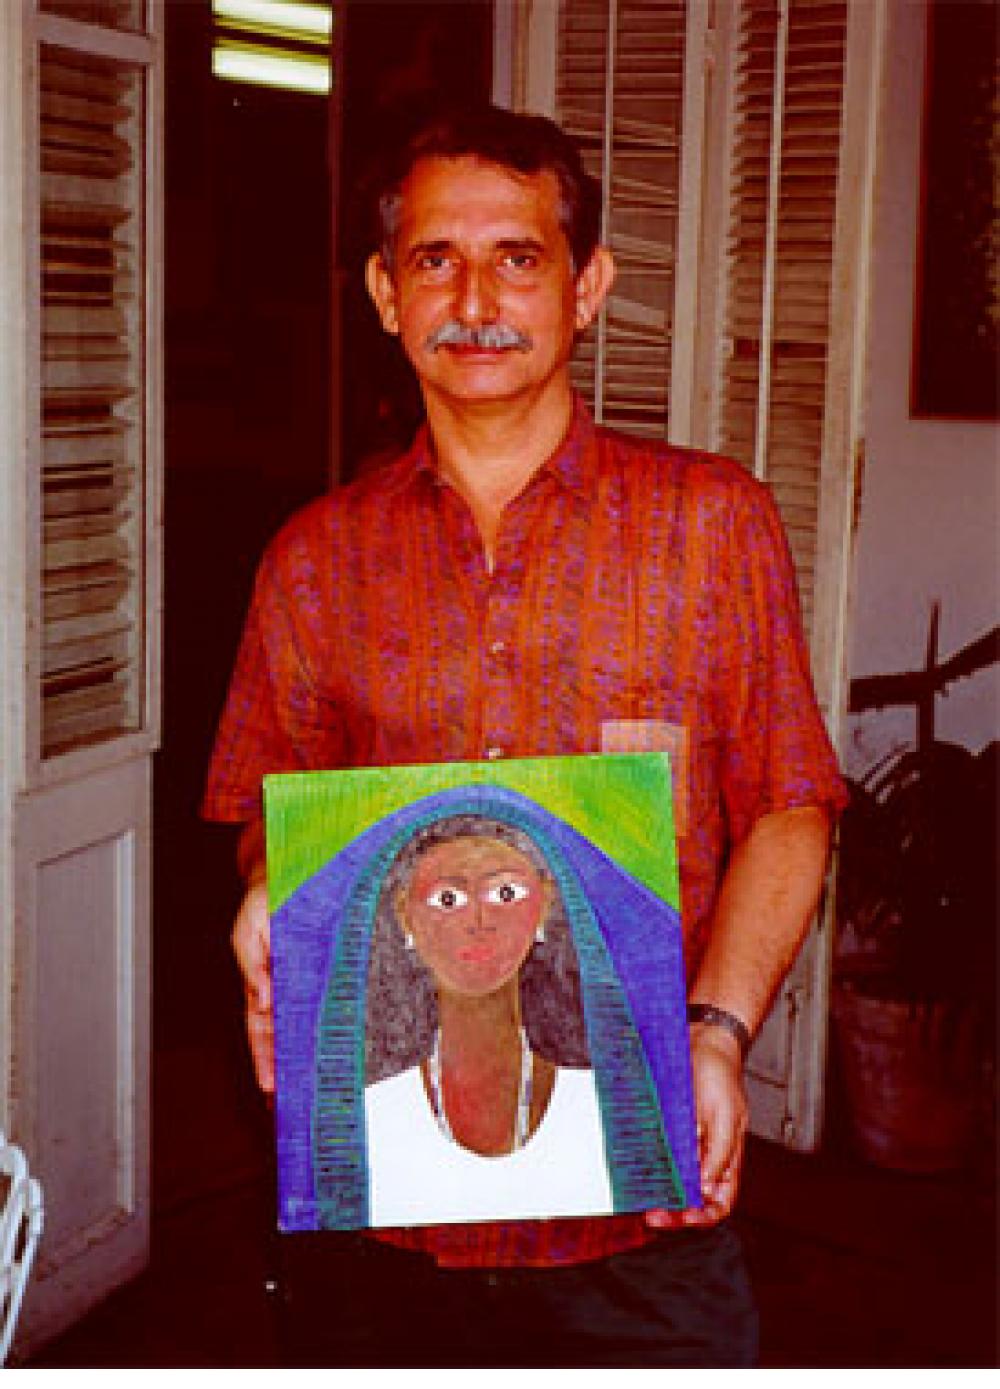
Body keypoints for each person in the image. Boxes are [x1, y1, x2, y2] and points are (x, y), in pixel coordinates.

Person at [202, 101, 846, 1367]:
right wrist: (272, 880)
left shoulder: (712, 526)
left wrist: (716, 1037)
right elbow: (274, 812)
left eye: (519, 257)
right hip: (383, 1216)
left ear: (587, 284)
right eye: (436, 260)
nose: (475, 297)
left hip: (640, 1199)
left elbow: (788, 803)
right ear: (387, 294)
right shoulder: (313, 561)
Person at [271, 789, 699, 1238]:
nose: (479, 920)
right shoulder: (370, 1117)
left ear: (546, 904)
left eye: (505, 893)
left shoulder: (599, 1108)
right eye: (448, 900)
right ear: (403, 916)